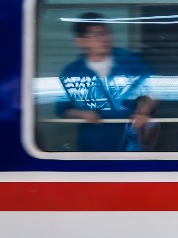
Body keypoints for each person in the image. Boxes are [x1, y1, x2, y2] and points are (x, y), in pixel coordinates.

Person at [57, 13, 152, 151]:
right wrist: (82, 114)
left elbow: (151, 92)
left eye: (107, 33)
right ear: (80, 41)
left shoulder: (130, 61)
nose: (105, 39)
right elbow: (63, 109)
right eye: (97, 35)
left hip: (132, 142)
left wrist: (143, 112)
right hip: (92, 144)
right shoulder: (72, 72)